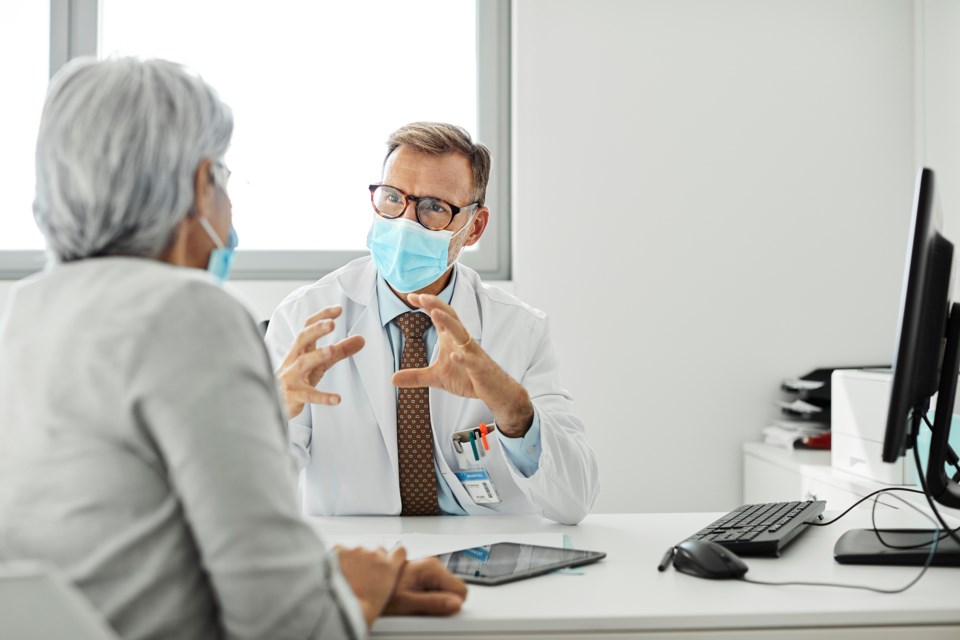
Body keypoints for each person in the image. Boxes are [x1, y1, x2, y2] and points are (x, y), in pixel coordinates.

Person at [0, 58, 466, 640]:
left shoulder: (29, 308)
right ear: (200, 185)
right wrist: (352, 589)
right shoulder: (191, 314)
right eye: (220, 175)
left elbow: (128, 549)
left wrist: (321, 572)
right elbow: (288, 624)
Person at [265, 122, 599, 524]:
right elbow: (248, 498)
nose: (405, 222)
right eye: (392, 199)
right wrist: (272, 415)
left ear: (473, 227)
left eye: (434, 207)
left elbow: (574, 502)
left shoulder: (519, 329)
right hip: (359, 558)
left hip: (486, 558)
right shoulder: (304, 318)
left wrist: (514, 412)